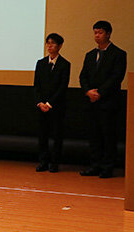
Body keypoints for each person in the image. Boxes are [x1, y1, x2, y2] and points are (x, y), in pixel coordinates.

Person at [79, 21, 127, 178]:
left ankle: (107, 167)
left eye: (100, 32)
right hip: (91, 102)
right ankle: (95, 165)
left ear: (108, 34)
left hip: (108, 102)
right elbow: (83, 76)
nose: (97, 35)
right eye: (95, 32)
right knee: (94, 136)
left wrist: (100, 93)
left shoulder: (119, 54)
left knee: (108, 136)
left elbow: (116, 77)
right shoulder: (90, 55)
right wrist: (88, 91)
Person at [34, 33, 71, 173]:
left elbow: (62, 87)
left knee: (56, 135)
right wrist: (40, 102)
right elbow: (36, 85)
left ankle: (54, 163)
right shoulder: (41, 63)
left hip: (56, 106)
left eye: (53, 43)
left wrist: (49, 104)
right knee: (42, 135)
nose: (50, 46)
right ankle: (43, 161)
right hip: (41, 106)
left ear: (60, 46)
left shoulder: (65, 64)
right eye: (48, 43)